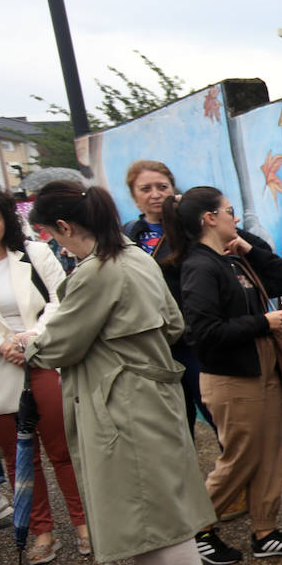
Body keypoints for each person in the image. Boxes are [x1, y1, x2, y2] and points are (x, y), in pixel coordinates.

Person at [13, 181, 217, 565]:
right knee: (154, 499)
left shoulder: (96, 272)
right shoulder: (133, 256)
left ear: (64, 226)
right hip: (145, 393)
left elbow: (60, 344)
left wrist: (27, 343)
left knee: (146, 506)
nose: (52, 242)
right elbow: (172, 323)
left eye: (49, 233)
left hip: (119, 399)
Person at [165, 186, 282, 565]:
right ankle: (194, 529)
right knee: (242, 457)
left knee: (269, 453)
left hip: (262, 371)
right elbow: (203, 333)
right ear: (209, 219)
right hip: (233, 378)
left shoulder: (231, 258)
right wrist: (262, 322)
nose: (236, 217)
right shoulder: (200, 266)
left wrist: (249, 249)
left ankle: (265, 532)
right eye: (229, 211)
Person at [0, 190, 88, 564]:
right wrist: (5, 345)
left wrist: (32, 338)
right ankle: (41, 533)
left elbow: (61, 298)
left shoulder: (34, 254)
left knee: (62, 449)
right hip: (2, 369)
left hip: (45, 356)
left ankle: (84, 524)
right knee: (19, 458)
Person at [122, 160, 215, 440]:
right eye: (145, 188)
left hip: (195, 340)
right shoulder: (129, 236)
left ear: (174, 190)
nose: (155, 194)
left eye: (162, 187)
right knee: (174, 423)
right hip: (153, 344)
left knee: (216, 413)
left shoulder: (193, 230)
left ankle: (241, 480)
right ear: (135, 197)